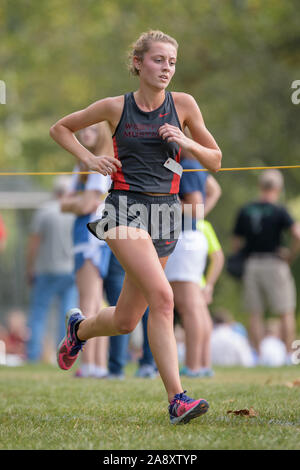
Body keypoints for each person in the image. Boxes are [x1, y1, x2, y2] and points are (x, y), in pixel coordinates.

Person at [50, 30, 222, 425]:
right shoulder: (115, 107)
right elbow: (61, 128)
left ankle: (79, 330)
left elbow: (214, 160)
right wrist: (89, 159)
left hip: (165, 215)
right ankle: (177, 399)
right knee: (164, 298)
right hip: (123, 210)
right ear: (139, 63)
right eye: (159, 60)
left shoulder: (185, 105)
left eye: (172, 62)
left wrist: (186, 142)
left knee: (127, 319)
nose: (166, 69)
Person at [164, 145, 223, 378]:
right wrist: (199, 217)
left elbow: (195, 205)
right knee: (197, 307)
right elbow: (214, 190)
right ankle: (202, 363)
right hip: (193, 237)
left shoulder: (186, 167)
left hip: (185, 239)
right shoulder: (194, 166)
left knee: (188, 308)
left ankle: (193, 366)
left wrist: (167, 204)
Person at [61, 123, 112, 378]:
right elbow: (68, 202)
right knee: (95, 299)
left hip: (90, 234)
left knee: (89, 300)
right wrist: (73, 203)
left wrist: (73, 203)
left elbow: (86, 204)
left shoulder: (97, 166)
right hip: (87, 233)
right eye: (82, 130)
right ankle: (96, 364)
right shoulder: (82, 167)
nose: (84, 134)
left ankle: (92, 364)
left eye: (92, 130)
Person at [232, 169, 300, 357]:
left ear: (260, 186)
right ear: (278, 188)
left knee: (255, 312)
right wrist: (289, 256)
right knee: (285, 310)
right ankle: (288, 355)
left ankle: (258, 356)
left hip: (252, 263)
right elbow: (297, 234)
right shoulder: (279, 210)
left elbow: (236, 242)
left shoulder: (246, 209)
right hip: (275, 263)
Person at [26, 176, 78, 362]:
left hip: (46, 270)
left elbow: (34, 243)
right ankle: (63, 355)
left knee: (38, 313)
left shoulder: (44, 212)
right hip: (71, 271)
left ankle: (32, 355)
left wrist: (30, 267)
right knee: (67, 316)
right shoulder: (75, 212)